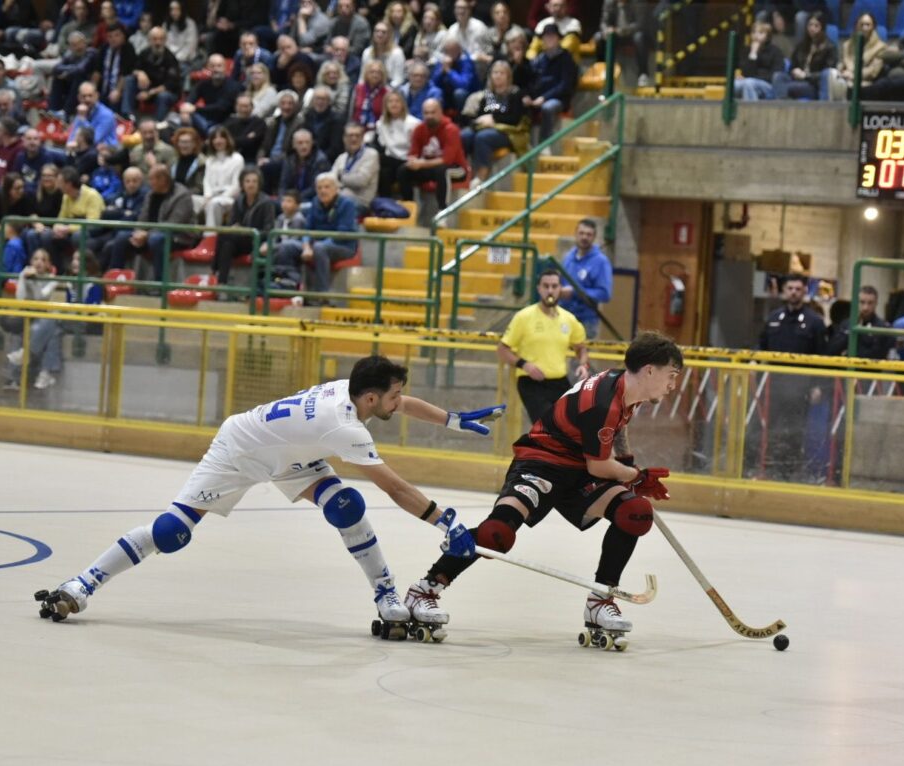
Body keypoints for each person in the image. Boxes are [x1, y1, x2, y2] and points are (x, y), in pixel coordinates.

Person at [34, 355, 502, 629]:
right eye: (394, 397)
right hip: (240, 449)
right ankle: (82, 583)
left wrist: (451, 419)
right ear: (371, 399)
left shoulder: (352, 389)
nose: (400, 404)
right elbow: (396, 487)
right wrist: (446, 521)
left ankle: (385, 596)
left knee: (346, 505)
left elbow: (402, 408)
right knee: (173, 531)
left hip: (294, 455)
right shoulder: (344, 427)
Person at [403, 331, 680, 637]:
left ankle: (600, 600)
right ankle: (425, 590)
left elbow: (613, 434)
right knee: (497, 533)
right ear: (650, 370)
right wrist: (636, 476)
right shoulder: (603, 402)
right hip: (542, 461)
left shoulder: (624, 386)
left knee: (635, 513)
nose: (673, 385)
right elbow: (600, 465)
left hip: (580, 471)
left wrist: (627, 466)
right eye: (672, 375)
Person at [757, 273, 827, 481]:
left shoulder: (815, 322)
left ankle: (791, 472)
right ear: (784, 291)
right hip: (775, 386)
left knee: (796, 431)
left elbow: (821, 356)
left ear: (805, 292)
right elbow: (761, 348)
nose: (794, 292)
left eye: (798, 289)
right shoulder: (773, 319)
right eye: (790, 288)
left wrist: (817, 386)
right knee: (772, 428)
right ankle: (770, 470)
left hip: (800, 388)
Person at [499, 268, 589, 423]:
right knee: (548, 424)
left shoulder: (569, 319)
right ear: (539, 289)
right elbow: (502, 349)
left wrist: (583, 364)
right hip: (532, 382)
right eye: (546, 286)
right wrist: (524, 364)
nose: (550, 290)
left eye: (554, 286)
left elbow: (580, 347)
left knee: (575, 423)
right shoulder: (524, 317)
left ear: (560, 289)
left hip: (559, 381)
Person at [104, 164, 197, 282]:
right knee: (122, 237)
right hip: (150, 234)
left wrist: (147, 234)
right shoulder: (150, 194)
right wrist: (139, 232)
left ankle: (160, 284)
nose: (149, 183)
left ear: (162, 180)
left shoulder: (182, 195)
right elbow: (143, 218)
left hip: (179, 237)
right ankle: (115, 281)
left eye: (151, 179)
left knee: (156, 240)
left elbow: (174, 224)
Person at [276, 172, 358, 296]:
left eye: (327, 187)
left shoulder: (347, 204)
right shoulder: (315, 202)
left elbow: (343, 234)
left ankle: (322, 295)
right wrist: (306, 246)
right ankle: (288, 287)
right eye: (319, 188)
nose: (322, 191)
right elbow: (307, 229)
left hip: (343, 246)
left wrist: (313, 247)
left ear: (336, 189)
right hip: (317, 244)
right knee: (287, 246)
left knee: (320, 248)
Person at [459, 59, 528, 185]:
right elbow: (481, 115)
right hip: (487, 127)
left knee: (483, 137)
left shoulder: (515, 93)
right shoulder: (488, 95)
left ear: (508, 76)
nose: (498, 76)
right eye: (495, 72)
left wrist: (494, 119)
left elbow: (514, 118)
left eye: (502, 73)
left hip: (510, 132)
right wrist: (479, 122)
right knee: (465, 135)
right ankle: (463, 170)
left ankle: (482, 174)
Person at [3, 248, 64, 392]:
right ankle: (17, 378)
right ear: (31, 261)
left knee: (50, 325)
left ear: (49, 264)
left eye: (43, 260)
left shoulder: (52, 280)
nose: (39, 262)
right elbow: (20, 298)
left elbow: (40, 298)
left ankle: (25, 354)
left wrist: (33, 281)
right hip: (25, 315)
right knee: (48, 332)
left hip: (41, 317)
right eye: (36, 259)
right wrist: (24, 278)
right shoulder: (24, 274)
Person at [398, 97, 468, 210]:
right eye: (426, 113)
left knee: (442, 171)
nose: (429, 116)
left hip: (457, 169)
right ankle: (408, 209)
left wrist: (421, 164)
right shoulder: (419, 129)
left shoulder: (451, 129)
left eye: (433, 112)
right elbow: (413, 153)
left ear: (441, 112)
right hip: (431, 167)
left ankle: (443, 212)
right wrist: (412, 162)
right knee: (403, 170)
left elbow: (446, 160)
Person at [212, 167, 276, 286]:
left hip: (256, 241)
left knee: (226, 237)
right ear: (242, 183)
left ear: (259, 184)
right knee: (226, 242)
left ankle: (214, 272)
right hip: (238, 240)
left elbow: (268, 229)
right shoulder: (239, 200)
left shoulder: (266, 202)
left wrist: (247, 231)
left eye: (254, 181)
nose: (250, 185)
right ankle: (221, 282)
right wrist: (234, 228)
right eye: (247, 181)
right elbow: (232, 223)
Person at [559, 218, 613, 340]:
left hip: (585, 321)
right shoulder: (568, 257)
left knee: (579, 358)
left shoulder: (600, 261)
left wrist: (575, 292)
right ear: (576, 233)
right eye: (581, 233)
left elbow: (605, 294)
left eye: (588, 234)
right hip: (563, 317)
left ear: (594, 237)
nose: (584, 237)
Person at [526, 21, 575, 143]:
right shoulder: (539, 58)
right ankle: (526, 146)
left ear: (559, 39)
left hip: (558, 99)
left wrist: (544, 97)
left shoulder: (566, 58)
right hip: (538, 98)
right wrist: (529, 97)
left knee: (548, 108)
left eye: (552, 36)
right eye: (546, 37)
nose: (549, 39)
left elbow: (565, 85)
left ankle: (544, 143)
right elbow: (531, 80)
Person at [771, 13, 836, 100]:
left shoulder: (829, 47)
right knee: (778, 76)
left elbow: (828, 74)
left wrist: (806, 76)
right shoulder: (801, 45)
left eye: (816, 25)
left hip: (813, 85)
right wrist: (794, 71)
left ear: (822, 27)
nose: (812, 28)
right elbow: (792, 66)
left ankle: (783, 101)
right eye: (810, 25)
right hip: (797, 80)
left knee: (785, 88)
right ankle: (782, 104)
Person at [825, 13, 885, 101]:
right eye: (862, 25)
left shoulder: (880, 47)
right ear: (856, 26)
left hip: (866, 82)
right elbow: (841, 63)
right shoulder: (847, 45)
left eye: (868, 25)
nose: (864, 28)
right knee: (831, 76)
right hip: (846, 79)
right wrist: (841, 71)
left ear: (873, 27)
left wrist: (854, 76)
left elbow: (873, 71)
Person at [825, 285, 892, 359]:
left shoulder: (883, 327)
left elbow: (879, 354)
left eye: (870, 303)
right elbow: (832, 350)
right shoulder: (846, 324)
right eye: (862, 302)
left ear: (876, 303)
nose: (865, 307)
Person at [330, 122, 380, 215]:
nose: (354, 139)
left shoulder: (371, 154)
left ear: (362, 138)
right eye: (350, 136)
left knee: (334, 211)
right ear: (344, 138)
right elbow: (331, 179)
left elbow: (361, 180)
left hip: (360, 202)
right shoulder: (341, 157)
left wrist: (341, 177)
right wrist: (340, 180)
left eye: (357, 135)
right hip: (338, 198)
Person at [735, 21, 786, 101]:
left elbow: (776, 75)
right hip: (749, 81)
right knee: (734, 85)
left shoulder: (775, 51)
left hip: (768, 85)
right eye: (754, 32)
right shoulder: (747, 50)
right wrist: (753, 54)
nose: (756, 35)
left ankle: (751, 111)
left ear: (767, 36)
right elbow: (745, 73)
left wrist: (753, 78)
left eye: (760, 33)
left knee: (749, 83)